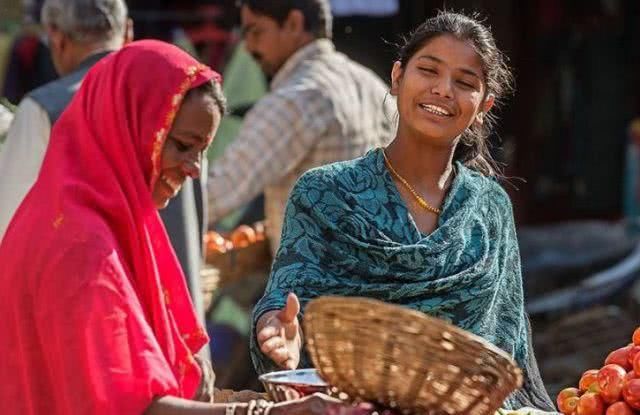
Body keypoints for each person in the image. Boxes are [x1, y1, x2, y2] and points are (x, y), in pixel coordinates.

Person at [0, 40, 370, 415]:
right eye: (182, 145)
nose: (194, 169)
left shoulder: (75, 216)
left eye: (202, 151)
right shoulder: (83, 246)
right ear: (127, 126)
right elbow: (135, 407)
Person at [250, 11, 557, 412]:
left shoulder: (490, 206)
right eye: (428, 70)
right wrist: (275, 326)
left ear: (484, 105)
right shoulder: (324, 193)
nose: (443, 90)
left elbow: (507, 342)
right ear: (397, 78)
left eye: (465, 83)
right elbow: (286, 297)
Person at [207, 0, 395, 255]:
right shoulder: (370, 84)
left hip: (315, 286)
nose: (249, 46)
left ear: (294, 24)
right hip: (373, 280)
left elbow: (218, 193)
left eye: (256, 31)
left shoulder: (296, 98)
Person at [0, 0, 132, 240]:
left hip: (82, 275)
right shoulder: (174, 98)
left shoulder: (43, 108)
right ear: (129, 31)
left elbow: (8, 222)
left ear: (56, 37)